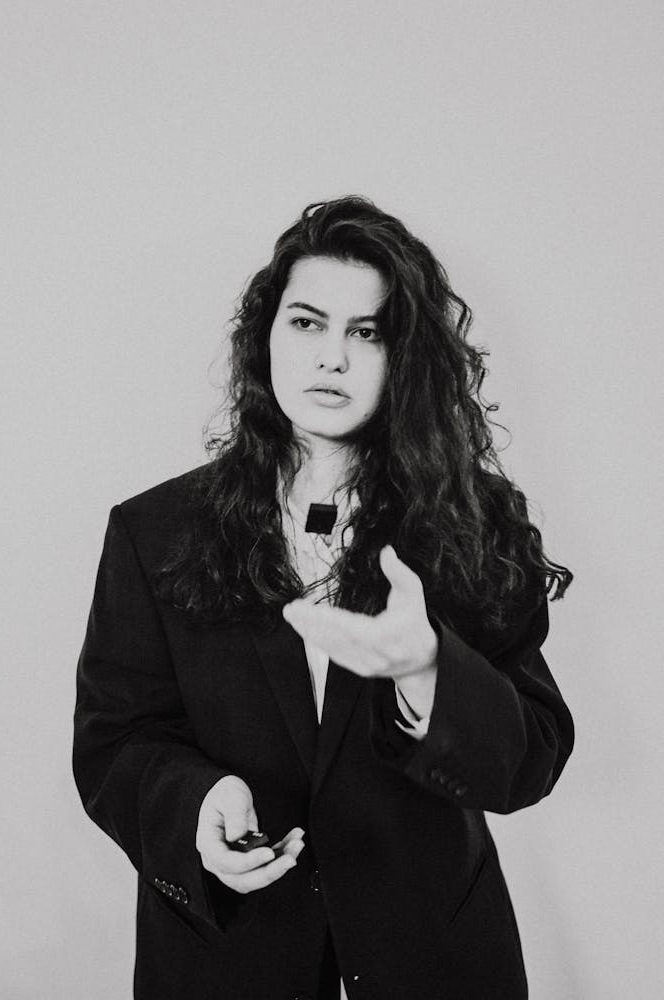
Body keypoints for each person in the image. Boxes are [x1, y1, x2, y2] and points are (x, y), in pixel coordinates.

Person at [73, 196, 574, 1000]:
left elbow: (533, 758)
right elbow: (114, 743)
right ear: (265, 338)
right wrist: (199, 804)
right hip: (228, 962)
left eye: (366, 332)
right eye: (307, 323)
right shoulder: (153, 531)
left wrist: (428, 674)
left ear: (402, 359)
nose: (332, 358)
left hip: (434, 963)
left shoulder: (475, 522)